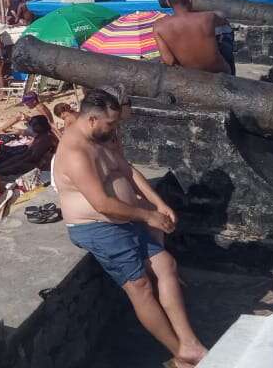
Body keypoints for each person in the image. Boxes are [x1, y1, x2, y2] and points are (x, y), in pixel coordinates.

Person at [55, 88, 206, 367]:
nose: (116, 128)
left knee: (166, 266)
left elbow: (126, 169)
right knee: (139, 285)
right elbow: (101, 203)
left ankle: (190, 343)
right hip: (95, 227)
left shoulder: (102, 135)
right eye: (111, 123)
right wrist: (147, 217)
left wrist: (157, 204)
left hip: (123, 218)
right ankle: (179, 353)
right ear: (91, 120)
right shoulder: (76, 152)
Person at [154, 0, 232, 75]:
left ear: (167, 2)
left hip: (192, 74)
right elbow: (223, 17)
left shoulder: (159, 26)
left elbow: (169, 61)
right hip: (220, 70)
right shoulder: (208, 17)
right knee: (226, 32)